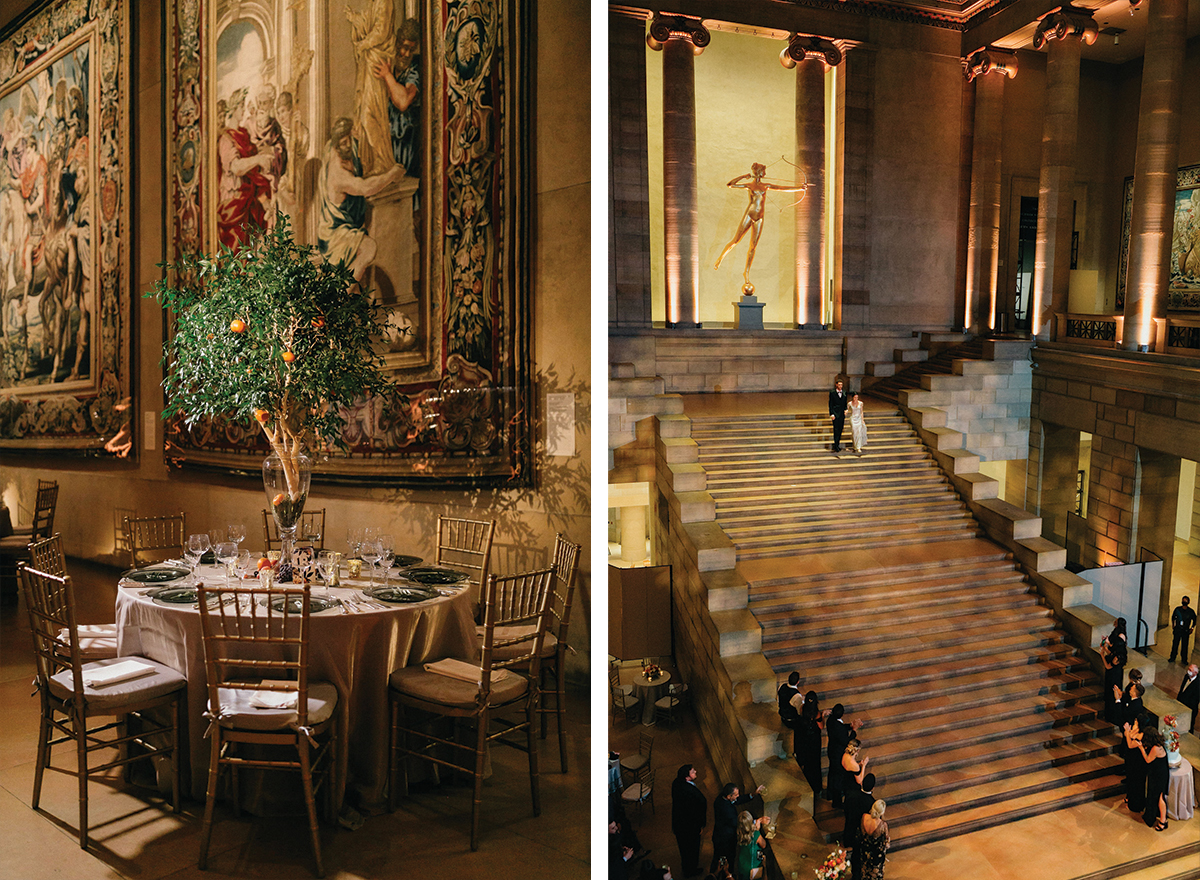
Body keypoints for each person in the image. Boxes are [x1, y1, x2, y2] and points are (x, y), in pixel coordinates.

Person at [316, 116, 405, 286]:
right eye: (344, 143)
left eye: (350, 141)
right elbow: (365, 188)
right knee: (368, 248)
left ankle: (347, 293)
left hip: (341, 227)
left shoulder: (333, 148)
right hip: (335, 234)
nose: (349, 146)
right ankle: (340, 294)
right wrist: (391, 175)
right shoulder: (338, 174)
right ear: (337, 145)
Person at [714, 162, 806, 288]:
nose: (765, 173)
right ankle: (720, 258)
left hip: (760, 218)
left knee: (753, 247)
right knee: (736, 240)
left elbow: (781, 188)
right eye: (763, 171)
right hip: (749, 215)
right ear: (758, 172)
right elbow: (730, 185)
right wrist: (743, 176)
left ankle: (746, 272)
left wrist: (799, 188)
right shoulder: (750, 185)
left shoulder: (765, 185)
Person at [711, 782, 764, 873]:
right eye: (736, 794)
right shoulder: (727, 811)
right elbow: (739, 823)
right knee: (728, 858)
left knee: (718, 857)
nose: (738, 796)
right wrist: (756, 821)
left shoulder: (721, 798)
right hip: (726, 840)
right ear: (729, 796)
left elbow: (737, 800)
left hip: (718, 834)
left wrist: (753, 794)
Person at [672, 764, 707, 878]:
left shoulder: (676, 784)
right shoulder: (690, 792)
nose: (695, 771)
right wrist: (700, 825)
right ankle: (690, 870)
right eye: (692, 771)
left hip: (679, 824)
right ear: (687, 777)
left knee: (684, 849)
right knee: (692, 849)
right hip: (689, 827)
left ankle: (687, 867)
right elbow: (698, 808)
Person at [1136, 726, 1169, 831]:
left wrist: (1141, 748)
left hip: (1158, 776)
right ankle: (1162, 819)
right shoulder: (1159, 744)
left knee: (1159, 797)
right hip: (1161, 773)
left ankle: (1163, 821)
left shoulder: (1155, 749)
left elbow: (1148, 760)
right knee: (1159, 796)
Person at [845, 772, 876, 879]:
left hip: (849, 828)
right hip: (860, 834)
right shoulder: (872, 803)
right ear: (873, 787)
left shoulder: (851, 794)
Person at [796, 692, 826, 799]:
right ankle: (816, 787)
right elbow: (821, 726)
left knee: (808, 764)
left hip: (804, 740)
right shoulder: (816, 714)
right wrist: (823, 715)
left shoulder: (803, 708)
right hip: (814, 742)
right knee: (815, 764)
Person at [1100, 622, 1127, 724]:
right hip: (1116, 674)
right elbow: (1111, 653)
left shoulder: (1117, 657)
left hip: (1113, 676)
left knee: (1110, 695)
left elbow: (1108, 666)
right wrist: (1105, 647)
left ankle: (1110, 716)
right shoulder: (1120, 654)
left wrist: (1102, 654)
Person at [858, 799, 890, 880]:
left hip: (865, 850)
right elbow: (886, 842)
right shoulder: (883, 825)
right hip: (876, 854)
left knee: (864, 871)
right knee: (875, 875)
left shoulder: (864, 816)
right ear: (882, 812)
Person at [1121, 712, 1147, 812]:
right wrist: (1128, 732)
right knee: (1131, 781)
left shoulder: (1142, 735)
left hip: (1137, 762)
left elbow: (1130, 744)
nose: (1134, 723)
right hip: (1131, 760)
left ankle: (1136, 805)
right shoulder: (1136, 730)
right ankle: (1129, 797)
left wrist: (1127, 732)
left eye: (1136, 722)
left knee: (1136, 783)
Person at [733, 811, 768, 880]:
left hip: (742, 864)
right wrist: (757, 830)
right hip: (753, 867)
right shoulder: (756, 834)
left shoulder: (738, 833)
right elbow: (764, 845)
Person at [1169, 596, 1196, 663]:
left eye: (1186, 601)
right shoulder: (1177, 609)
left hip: (1185, 630)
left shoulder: (1190, 611)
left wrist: (1192, 628)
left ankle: (1184, 659)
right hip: (1178, 629)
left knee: (1185, 646)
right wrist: (1173, 625)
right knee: (1175, 644)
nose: (1184, 602)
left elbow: (1195, 620)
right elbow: (1173, 618)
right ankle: (1172, 657)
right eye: (1183, 600)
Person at [828, 379, 849, 455]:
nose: (840, 386)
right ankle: (836, 445)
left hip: (842, 414)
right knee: (836, 429)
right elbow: (831, 404)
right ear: (836, 385)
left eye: (841, 385)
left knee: (840, 429)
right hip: (835, 414)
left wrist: (846, 409)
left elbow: (844, 403)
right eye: (839, 385)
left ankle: (838, 443)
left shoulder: (844, 392)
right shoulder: (833, 393)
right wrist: (831, 414)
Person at [1178, 663, 1199, 734]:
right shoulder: (1186, 676)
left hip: (1190, 707)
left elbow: (1195, 699)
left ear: (1195, 673)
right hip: (1181, 703)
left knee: (1189, 725)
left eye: (1190, 670)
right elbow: (1182, 688)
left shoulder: (1198, 684)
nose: (1188, 671)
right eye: (1188, 669)